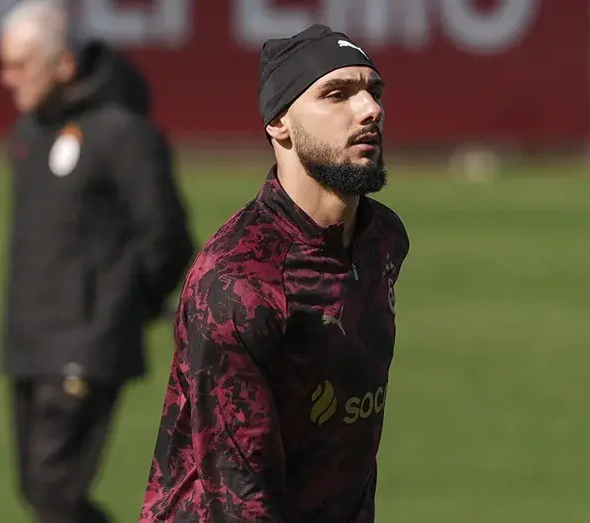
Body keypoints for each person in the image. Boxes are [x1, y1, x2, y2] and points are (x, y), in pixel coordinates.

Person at [139, 23, 409, 523]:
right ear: (279, 123)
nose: (369, 109)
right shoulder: (238, 283)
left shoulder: (383, 239)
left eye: (373, 91)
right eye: (337, 94)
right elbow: (239, 498)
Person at [0, 1, 194, 522]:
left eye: (20, 65)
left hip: (88, 342)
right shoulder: (30, 132)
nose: (6, 78)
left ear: (64, 63)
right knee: (40, 491)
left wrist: (124, 306)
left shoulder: (123, 133)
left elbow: (168, 235)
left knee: (55, 492)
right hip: (29, 343)